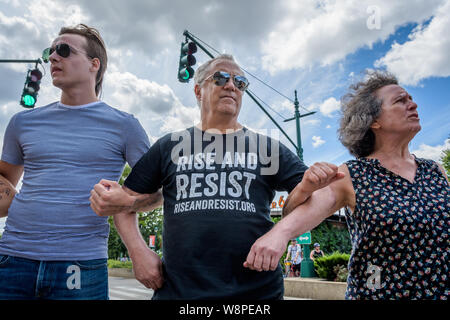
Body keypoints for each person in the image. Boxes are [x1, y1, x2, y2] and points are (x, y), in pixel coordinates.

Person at [89, 54, 340, 300]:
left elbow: (323, 197)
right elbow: (123, 204)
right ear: (198, 91)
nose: (231, 85)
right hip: (179, 293)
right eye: (220, 78)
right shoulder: (169, 145)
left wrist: (281, 233)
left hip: (257, 293)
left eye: (240, 82)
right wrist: (138, 253)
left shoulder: (267, 148)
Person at [243, 70, 449, 300]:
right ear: (374, 121)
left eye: (411, 99)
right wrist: (278, 234)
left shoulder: (435, 170)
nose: (413, 105)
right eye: (401, 101)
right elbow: (297, 217)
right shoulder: (351, 174)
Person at [0, 24, 153, 300]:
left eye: (64, 50)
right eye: (51, 51)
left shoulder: (125, 126)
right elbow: (4, 184)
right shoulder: (22, 122)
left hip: (81, 264)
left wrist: (128, 206)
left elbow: (160, 192)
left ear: (95, 64)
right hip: (11, 260)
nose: (52, 58)